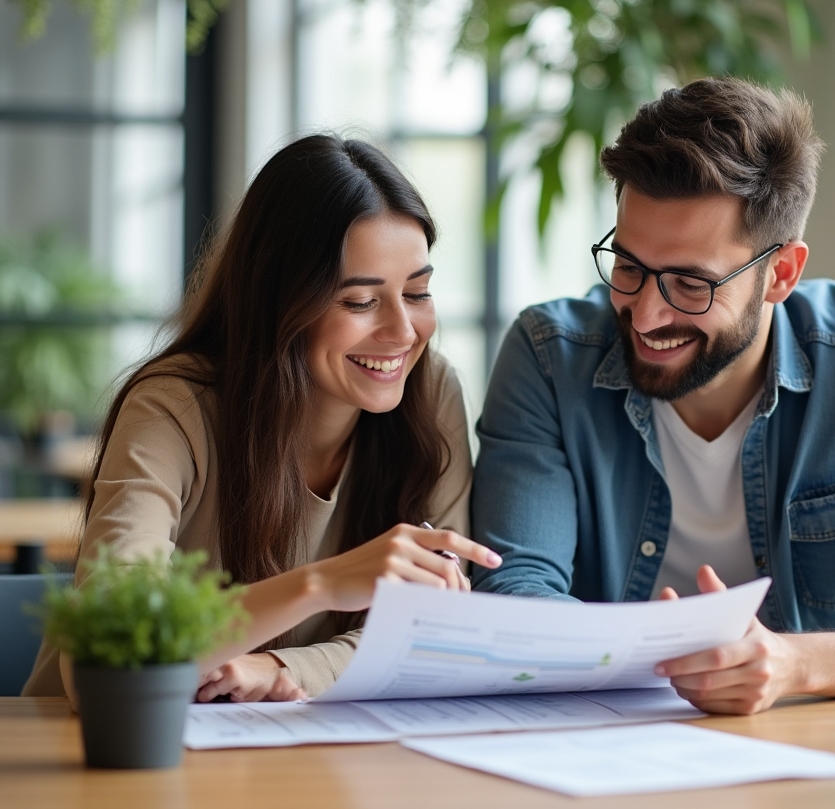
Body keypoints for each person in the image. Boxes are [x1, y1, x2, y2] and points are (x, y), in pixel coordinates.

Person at [471, 77, 835, 716]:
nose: (645, 315)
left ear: (780, 273)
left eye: (690, 284)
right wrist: (648, 656)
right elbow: (515, 590)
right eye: (629, 266)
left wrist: (792, 665)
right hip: (600, 730)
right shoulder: (548, 356)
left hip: (818, 734)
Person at [25, 134, 500, 703]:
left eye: (418, 292)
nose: (403, 331)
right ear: (281, 300)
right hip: (93, 744)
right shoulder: (172, 408)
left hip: (296, 746)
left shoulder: (430, 392)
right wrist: (322, 585)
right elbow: (105, 659)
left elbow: (438, 633)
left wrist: (281, 667)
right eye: (360, 302)